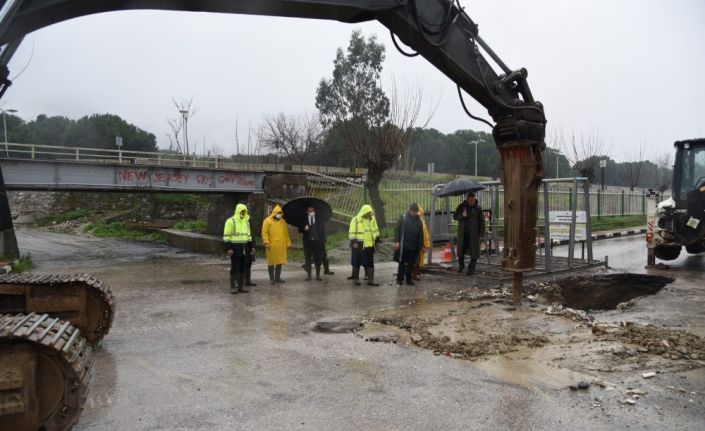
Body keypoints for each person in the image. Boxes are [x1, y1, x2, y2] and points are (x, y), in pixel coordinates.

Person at [223, 203, 256, 294]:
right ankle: (233, 287)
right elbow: (226, 237)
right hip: (234, 247)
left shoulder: (246, 222)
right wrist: (228, 248)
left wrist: (252, 247)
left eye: (244, 212)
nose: (243, 213)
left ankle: (240, 287)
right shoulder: (230, 221)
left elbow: (249, 236)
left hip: (244, 248)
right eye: (242, 211)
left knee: (242, 267)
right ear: (238, 211)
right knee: (234, 267)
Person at [453, 192, 485, 275]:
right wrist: (462, 216)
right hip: (463, 233)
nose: (472, 202)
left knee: (474, 252)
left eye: (473, 201)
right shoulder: (462, 207)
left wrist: (481, 234)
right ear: (467, 199)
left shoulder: (478, 208)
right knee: (460, 252)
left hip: (474, 234)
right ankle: (461, 266)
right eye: (470, 201)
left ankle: (471, 270)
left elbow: (482, 221)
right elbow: (455, 216)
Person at [348, 204, 380, 286]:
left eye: (370, 212)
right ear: (364, 212)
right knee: (357, 262)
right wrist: (354, 242)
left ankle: (371, 280)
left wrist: (377, 240)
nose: (370, 214)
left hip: (369, 245)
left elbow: (375, 230)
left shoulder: (372, 219)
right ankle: (356, 279)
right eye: (369, 212)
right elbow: (352, 232)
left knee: (370, 263)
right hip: (358, 245)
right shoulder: (355, 219)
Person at [394, 203, 425, 286]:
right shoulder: (403, 217)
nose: (414, 213)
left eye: (416, 212)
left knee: (411, 264)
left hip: (414, 245)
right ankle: (399, 279)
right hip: (404, 245)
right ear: (410, 210)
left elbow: (421, 234)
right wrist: (397, 241)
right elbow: (397, 229)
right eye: (413, 212)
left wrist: (422, 245)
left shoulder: (419, 220)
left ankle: (408, 279)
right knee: (402, 263)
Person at [262, 205, 291, 284]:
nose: (280, 214)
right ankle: (272, 279)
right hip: (271, 245)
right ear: (274, 213)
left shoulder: (283, 222)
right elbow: (265, 233)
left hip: (281, 245)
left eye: (281, 213)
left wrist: (288, 242)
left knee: (279, 262)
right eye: (278, 213)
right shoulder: (267, 221)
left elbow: (286, 233)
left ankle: (277, 277)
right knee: (271, 262)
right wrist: (266, 242)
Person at [299, 205, 326, 281]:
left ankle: (318, 275)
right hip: (307, 242)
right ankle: (309, 276)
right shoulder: (303, 219)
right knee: (307, 259)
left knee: (318, 259)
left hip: (317, 242)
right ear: (307, 212)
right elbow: (300, 229)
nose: (312, 212)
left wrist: (322, 241)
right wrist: (304, 228)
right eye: (310, 211)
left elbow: (323, 231)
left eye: (313, 211)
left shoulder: (319, 219)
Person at [412, 207, 431, 281]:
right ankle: (412, 274)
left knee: (419, 260)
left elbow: (425, 234)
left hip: (420, 244)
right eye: (417, 211)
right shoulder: (412, 221)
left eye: (420, 211)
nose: (418, 213)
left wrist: (426, 244)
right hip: (413, 244)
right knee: (412, 260)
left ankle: (416, 273)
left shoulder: (422, 222)